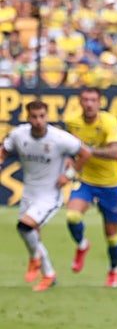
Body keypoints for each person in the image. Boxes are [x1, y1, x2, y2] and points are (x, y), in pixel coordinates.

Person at [0, 100, 91, 291]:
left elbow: (86, 153)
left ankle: (35, 258)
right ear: (28, 117)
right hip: (29, 193)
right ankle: (49, 275)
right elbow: (5, 149)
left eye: (42, 116)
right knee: (32, 234)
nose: (38, 121)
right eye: (34, 117)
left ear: (47, 116)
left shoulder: (59, 138)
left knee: (25, 226)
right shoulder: (19, 134)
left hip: (50, 195)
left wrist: (69, 175)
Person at [64, 86, 117, 288]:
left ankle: (114, 270)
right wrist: (67, 160)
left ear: (100, 103)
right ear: (80, 102)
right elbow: (67, 147)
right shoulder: (72, 122)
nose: (89, 104)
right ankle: (82, 245)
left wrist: (87, 150)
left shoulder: (109, 122)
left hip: (110, 184)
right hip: (86, 181)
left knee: (112, 237)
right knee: (72, 216)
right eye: (85, 100)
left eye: (93, 100)